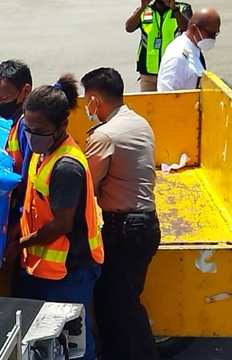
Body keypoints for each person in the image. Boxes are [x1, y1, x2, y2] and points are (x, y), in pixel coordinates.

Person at [5, 75, 104, 360]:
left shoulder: (66, 166)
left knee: (74, 345)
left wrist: (19, 244)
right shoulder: (42, 151)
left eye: (39, 130)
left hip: (69, 271)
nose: (31, 135)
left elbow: (61, 223)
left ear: (62, 126)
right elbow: (33, 205)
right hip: (40, 268)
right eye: (27, 128)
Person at [82, 68, 160, 360]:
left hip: (124, 230)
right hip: (144, 225)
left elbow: (87, 183)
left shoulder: (105, 135)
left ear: (94, 100)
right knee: (112, 300)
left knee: (122, 306)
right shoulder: (139, 122)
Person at [0, 60, 33, 289]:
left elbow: (29, 183)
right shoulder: (13, 124)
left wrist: (15, 232)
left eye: (4, 99)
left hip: (28, 223)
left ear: (25, 91)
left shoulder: (27, 126)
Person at [125, 0, 191, 91]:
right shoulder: (145, 10)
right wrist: (142, 8)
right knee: (148, 104)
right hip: (148, 73)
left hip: (173, 72)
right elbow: (129, 27)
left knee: (170, 104)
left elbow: (188, 28)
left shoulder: (182, 9)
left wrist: (174, 9)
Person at [157, 7, 221, 91]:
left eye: (215, 34)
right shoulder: (177, 56)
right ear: (194, 29)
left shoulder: (193, 49)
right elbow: (168, 97)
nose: (213, 39)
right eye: (210, 34)